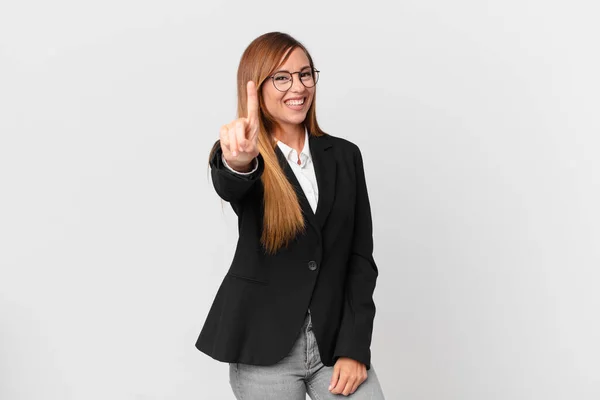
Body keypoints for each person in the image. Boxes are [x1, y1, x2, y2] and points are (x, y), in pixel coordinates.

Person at [196, 32, 385, 399]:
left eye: (305, 74)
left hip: (334, 344)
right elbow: (232, 183)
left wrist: (354, 347)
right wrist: (239, 162)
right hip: (265, 350)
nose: (297, 86)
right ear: (256, 86)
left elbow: (360, 261)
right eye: (281, 77)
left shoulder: (345, 156)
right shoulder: (243, 153)